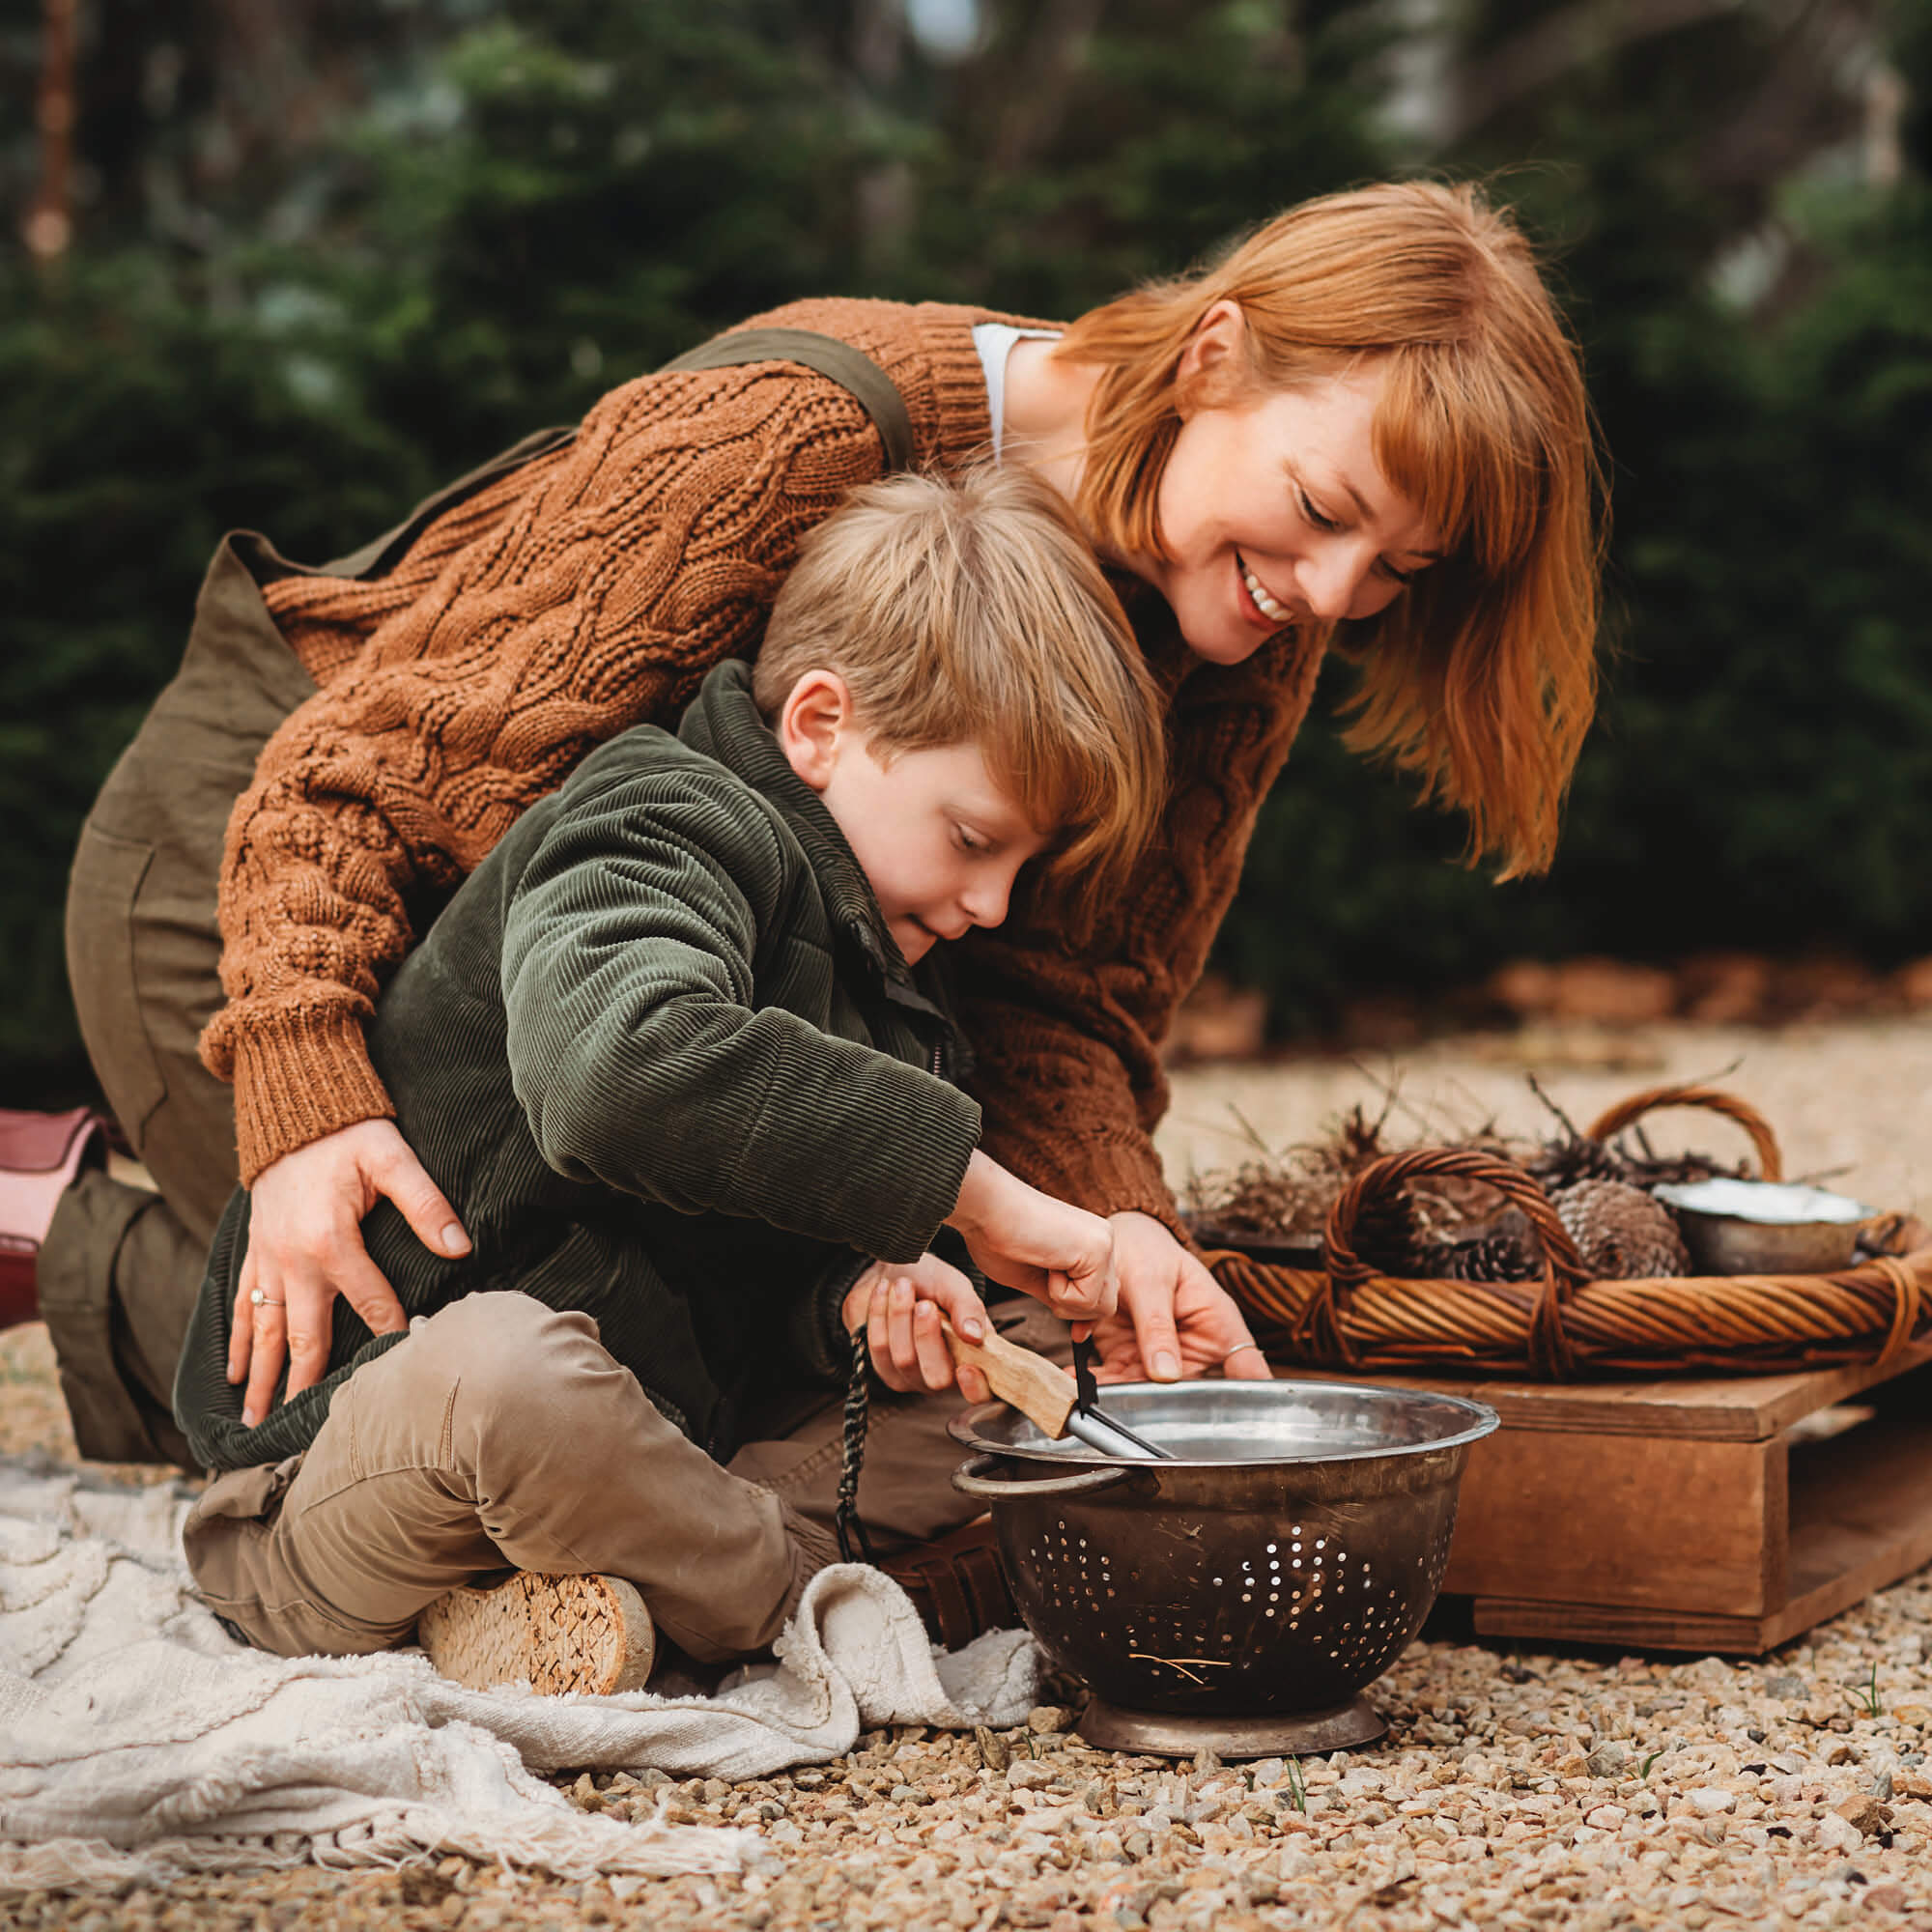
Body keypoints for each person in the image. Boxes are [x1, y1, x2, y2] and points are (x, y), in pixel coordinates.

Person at [9, 182, 1601, 1577]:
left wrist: (1117, 1244)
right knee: (387, 1374)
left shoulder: (1243, 619)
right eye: (1324, 512)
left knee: (785, 1376)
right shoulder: (802, 435)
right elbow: (366, 780)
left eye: (1395, 571)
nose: (1329, 594)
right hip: (280, 865)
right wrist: (303, 1088)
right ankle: (53, 1223)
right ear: (1212, 359)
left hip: (621, 998)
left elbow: (1055, 1005)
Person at [170, 462, 1167, 1690]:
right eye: (972, 839)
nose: (988, 904)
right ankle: (808, 1597)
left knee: (1018, 1359)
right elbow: (615, 1070)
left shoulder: (885, 967)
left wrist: (856, 1300)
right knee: (511, 1375)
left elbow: (734, 1265)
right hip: (352, 1457)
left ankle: (592, 1595)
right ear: (818, 724)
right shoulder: (653, 819)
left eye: (1021, 864)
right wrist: (974, 1192)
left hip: (656, 1441)